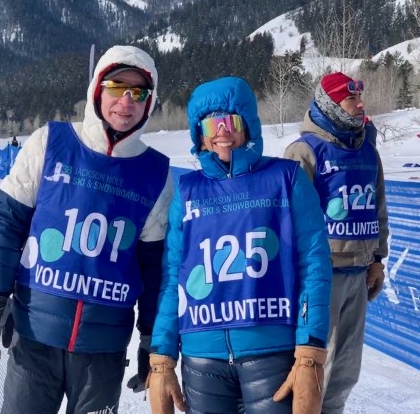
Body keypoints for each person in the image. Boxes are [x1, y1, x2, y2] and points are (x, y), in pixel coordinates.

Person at [0, 45, 173, 414]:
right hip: (35, 336)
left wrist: (151, 339)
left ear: (149, 102)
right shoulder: (51, 142)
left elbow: (155, 270)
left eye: (138, 92)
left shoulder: (156, 173)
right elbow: (6, 220)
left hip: (103, 351)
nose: (126, 101)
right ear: (97, 89)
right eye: (116, 87)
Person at [147, 76, 332, 414]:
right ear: (199, 133)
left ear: (247, 124)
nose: (222, 131)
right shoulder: (187, 191)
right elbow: (174, 277)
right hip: (202, 360)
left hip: (271, 353)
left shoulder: (287, 179)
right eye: (211, 123)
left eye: (231, 121)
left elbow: (315, 265)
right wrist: (162, 356)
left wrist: (310, 351)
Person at [284, 72, 389, 414]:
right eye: (351, 99)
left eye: (360, 97)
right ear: (330, 104)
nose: (360, 104)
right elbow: (287, 220)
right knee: (314, 369)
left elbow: (378, 207)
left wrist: (378, 259)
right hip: (320, 276)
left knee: (345, 370)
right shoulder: (304, 150)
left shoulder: (367, 150)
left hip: (359, 274)